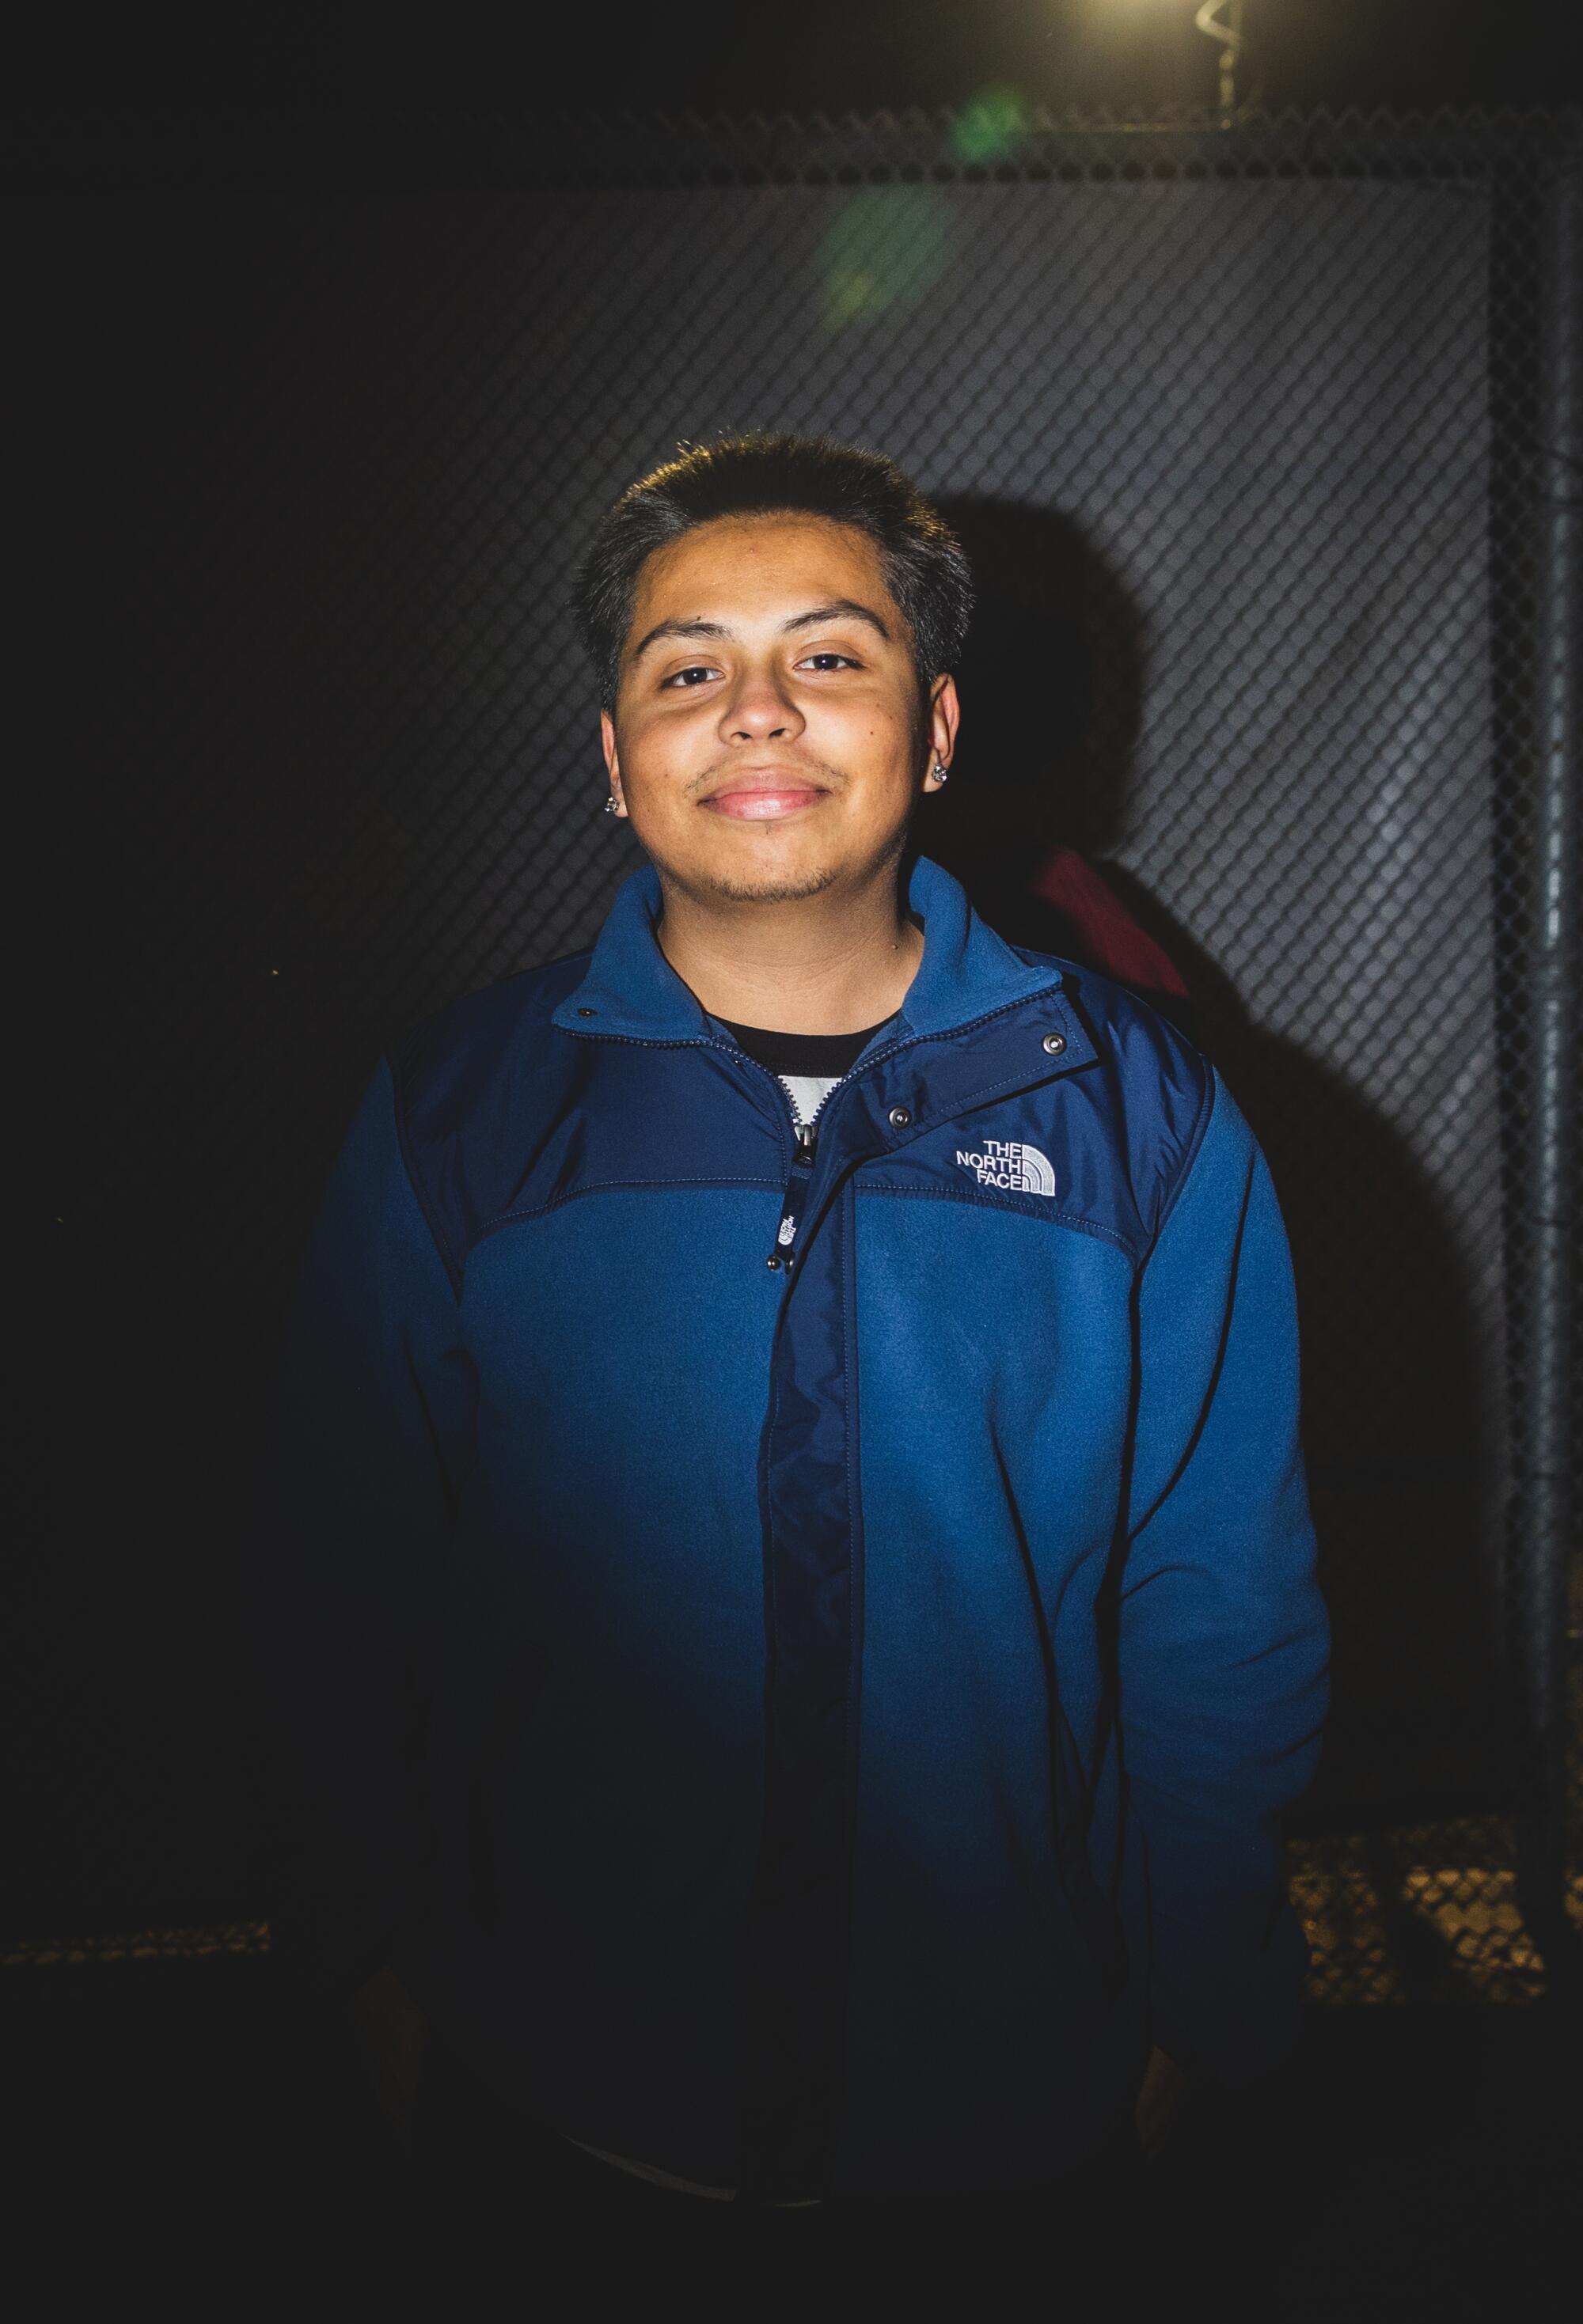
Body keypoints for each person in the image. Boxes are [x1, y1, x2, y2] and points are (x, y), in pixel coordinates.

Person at [245, 430, 1330, 2271]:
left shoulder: (1140, 1119)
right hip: (554, 2113)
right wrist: (358, 1958)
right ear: (610, 752)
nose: (755, 713)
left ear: (938, 726)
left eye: (828, 656)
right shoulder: (460, 1118)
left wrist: (1189, 2014)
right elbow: (345, 1582)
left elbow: (1214, 1597)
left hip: (1014, 2129)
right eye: (686, 669)